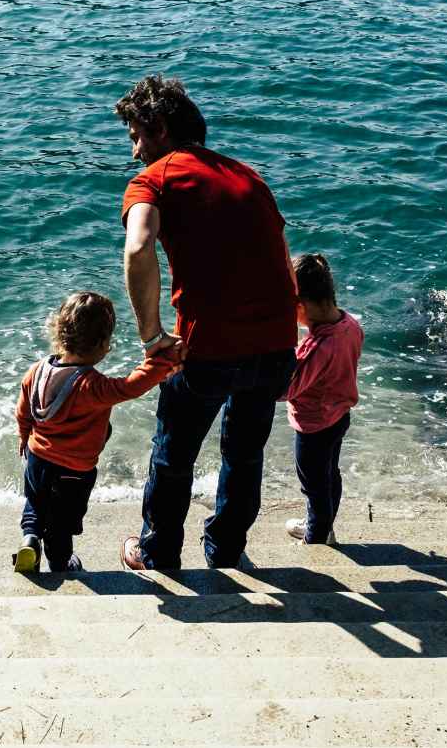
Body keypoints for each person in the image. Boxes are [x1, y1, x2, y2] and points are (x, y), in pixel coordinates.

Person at [115, 75, 298, 571]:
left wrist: (152, 336)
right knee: (244, 454)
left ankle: (157, 554)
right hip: (277, 343)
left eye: (135, 134)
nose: (134, 150)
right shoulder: (250, 176)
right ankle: (226, 549)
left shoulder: (154, 179)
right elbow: (283, 258)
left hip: (209, 347)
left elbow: (137, 247)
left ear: (159, 128)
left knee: (173, 454)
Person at [14, 291, 180, 573]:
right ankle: (60, 562)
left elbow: (23, 411)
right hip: (73, 470)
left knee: (36, 503)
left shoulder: (37, 370)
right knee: (61, 525)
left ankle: (30, 539)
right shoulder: (92, 385)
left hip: (37, 457)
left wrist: (24, 436)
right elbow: (131, 386)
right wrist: (163, 360)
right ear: (102, 344)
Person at [279, 254, 363, 544]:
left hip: (313, 426)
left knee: (313, 486)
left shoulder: (315, 348)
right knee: (330, 476)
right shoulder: (351, 325)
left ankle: (316, 537)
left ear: (300, 306)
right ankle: (323, 526)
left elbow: (285, 390)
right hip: (339, 416)